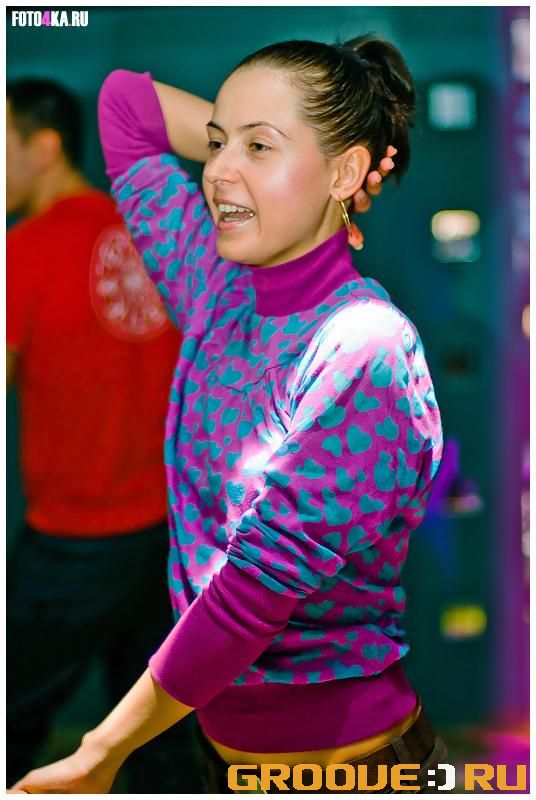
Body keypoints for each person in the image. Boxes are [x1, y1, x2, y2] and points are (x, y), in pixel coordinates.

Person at [9, 35, 447, 795]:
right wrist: (283, 151)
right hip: (225, 750)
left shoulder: (363, 348)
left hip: (347, 768)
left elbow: (253, 595)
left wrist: (99, 752)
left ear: (344, 171)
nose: (217, 170)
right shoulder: (218, 293)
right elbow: (125, 105)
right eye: (215, 144)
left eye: (258, 146)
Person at [6, 78, 203, 793]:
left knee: (8, 720)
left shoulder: (22, 251)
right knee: (157, 739)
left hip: (75, 541)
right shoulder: (150, 229)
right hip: (167, 533)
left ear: (44, 146)